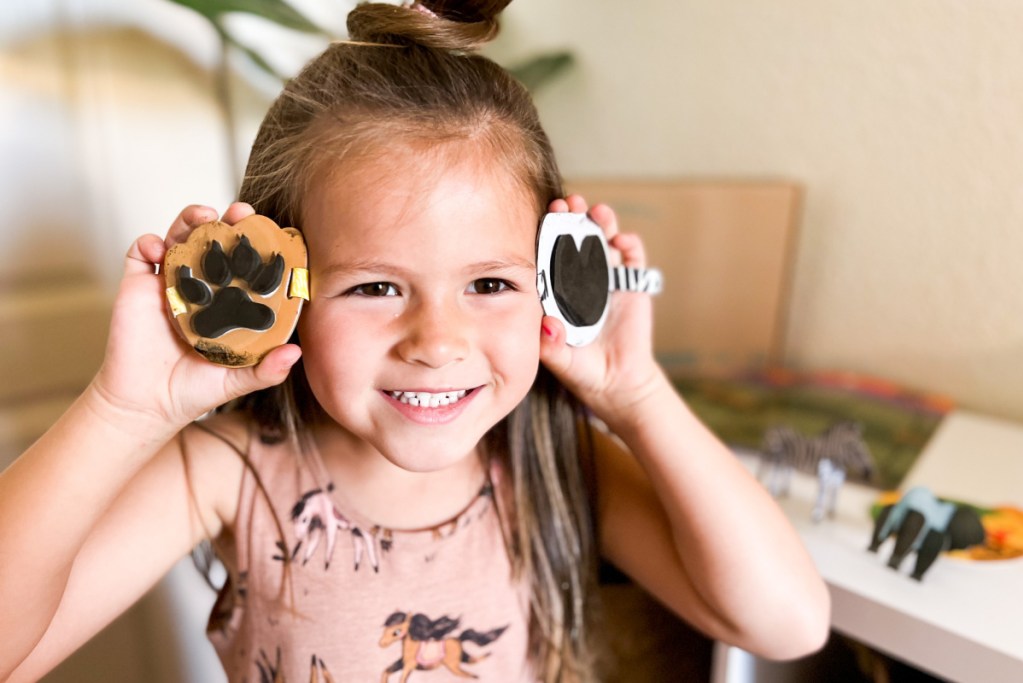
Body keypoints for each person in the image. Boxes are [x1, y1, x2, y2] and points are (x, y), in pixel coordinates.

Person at [0, 1, 830, 680]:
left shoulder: (556, 462)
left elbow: (788, 622)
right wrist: (123, 409)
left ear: (559, 282)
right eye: (374, 287)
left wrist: (638, 396)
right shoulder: (230, 470)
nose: (437, 341)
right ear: (277, 294)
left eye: (489, 283)